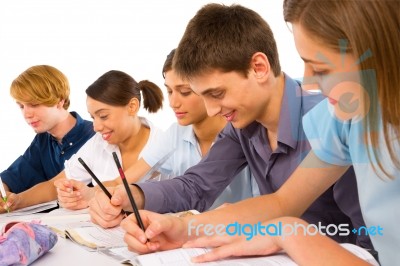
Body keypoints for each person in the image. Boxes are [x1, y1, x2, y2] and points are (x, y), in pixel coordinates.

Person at [118, 2, 399, 265]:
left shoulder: (331, 112)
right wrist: (182, 227)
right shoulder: (344, 119)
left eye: (322, 69)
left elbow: (367, 246)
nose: (311, 82)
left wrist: (288, 232)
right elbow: (283, 201)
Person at [57, 49, 259, 211]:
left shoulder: (244, 131)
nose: (173, 102)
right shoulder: (175, 134)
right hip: (190, 237)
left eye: (185, 92)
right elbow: (125, 180)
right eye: (169, 91)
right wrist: (91, 194)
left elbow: (268, 206)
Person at [53, 70, 164, 208]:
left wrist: (90, 194)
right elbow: (116, 183)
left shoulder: (165, 146)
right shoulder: (98, 142)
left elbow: (119, 185)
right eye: (93, 117)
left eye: (103, 116)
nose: (96, 127)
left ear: (132, 107)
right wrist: (75, 194)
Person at [0, 65, 95, 213]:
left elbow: (53, 187)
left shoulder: (97, 135)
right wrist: (2, 192)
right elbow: (13, 176)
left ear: (59, 101)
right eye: (21, 106)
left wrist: (17, 201)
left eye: (34, 104)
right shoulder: (42, 140)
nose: (27, 114)